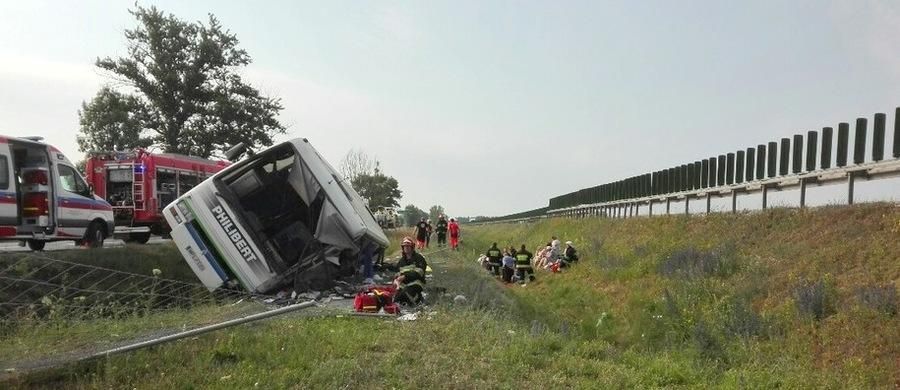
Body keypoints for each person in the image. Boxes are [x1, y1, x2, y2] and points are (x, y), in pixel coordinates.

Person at [394, 237, 428, 305]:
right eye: (404, 246)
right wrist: (396, 279)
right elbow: (398, 273)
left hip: (416, 283)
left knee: (406, 293)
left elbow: (419, 272)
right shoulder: (401, 261)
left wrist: (405, 276)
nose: (406, 248)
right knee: (396, 299)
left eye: (408, 246)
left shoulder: (419, 258)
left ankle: (419, 299)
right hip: (404, 285)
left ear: (412, 247)